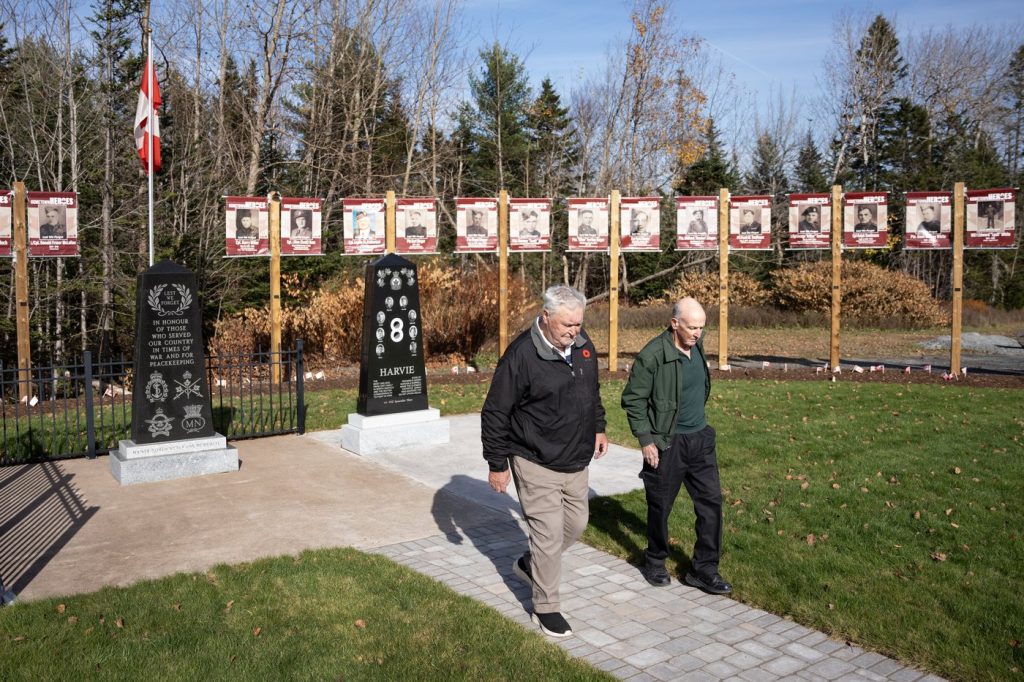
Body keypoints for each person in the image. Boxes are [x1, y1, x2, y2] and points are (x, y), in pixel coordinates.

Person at [482, 285, 608, 638]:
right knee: (548, 535)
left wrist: (599, 427)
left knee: (577, 524)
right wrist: (497, 463)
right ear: (546, 317)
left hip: (575, 459)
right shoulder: (522, 355)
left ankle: (529, 563)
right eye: (567, 325)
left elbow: (591, 392)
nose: (574, 332)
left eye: (579, 324)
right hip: (533, 457)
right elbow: (495, 412)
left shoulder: (583, 347)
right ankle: (546, 608)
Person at [620, 297, 732, 596]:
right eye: (692, 327)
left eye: (701, 328)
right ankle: (655, 560)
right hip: (667, 442)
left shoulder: (697, 344)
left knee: (711, 505)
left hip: (700, 439)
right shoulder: (653, 355)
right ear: (674, 324)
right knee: (660, 506)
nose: (697, 333)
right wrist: (646, 440)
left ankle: (704, 569)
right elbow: (633, 400)